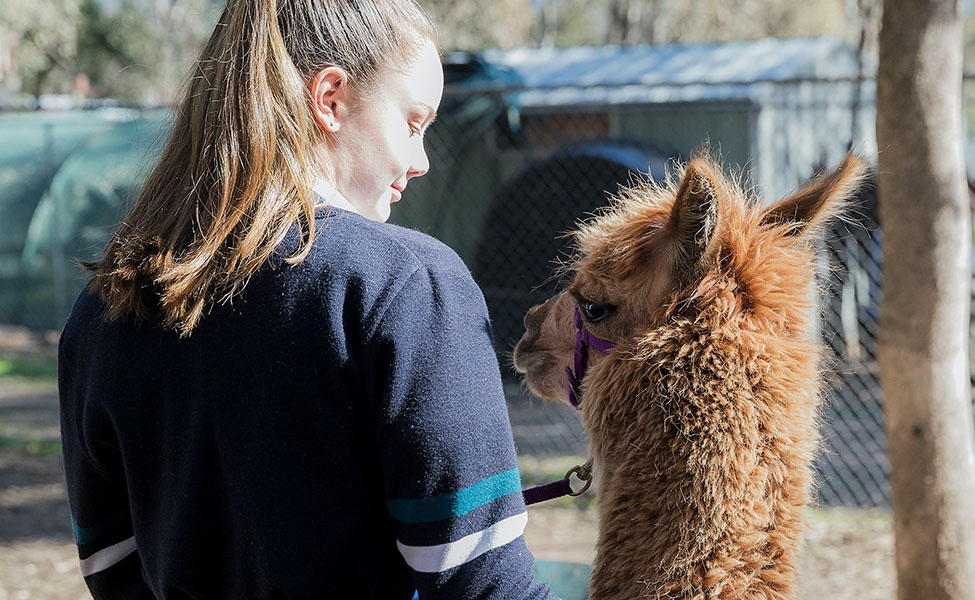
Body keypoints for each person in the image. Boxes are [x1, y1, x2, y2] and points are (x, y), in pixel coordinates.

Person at [58, 1, 557, 598]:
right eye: (414, 122)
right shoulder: (407, 286)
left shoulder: (102, 310)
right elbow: (484, 584)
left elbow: (111, 567)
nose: (421, 161)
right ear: (331, 99)